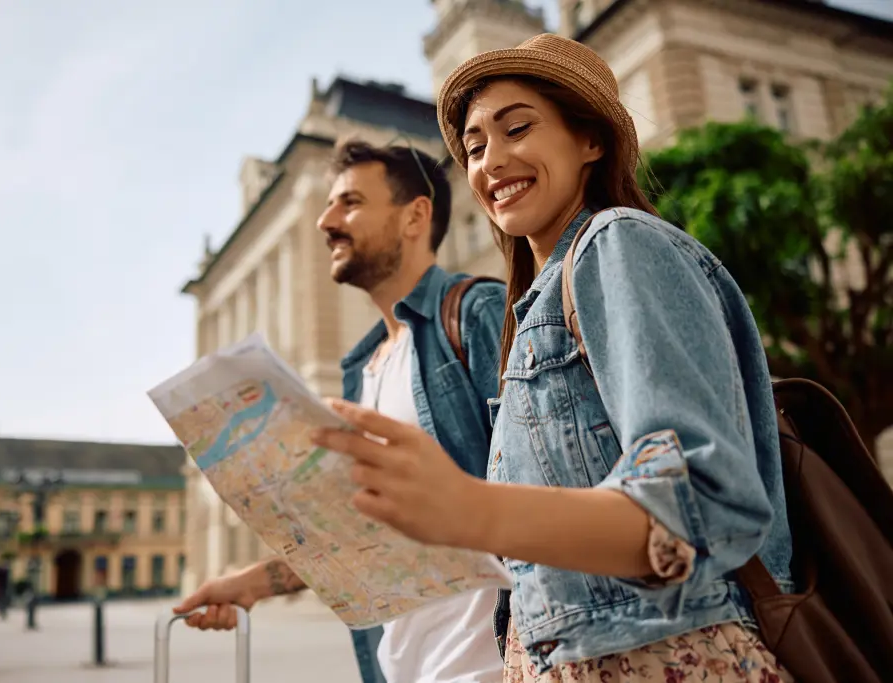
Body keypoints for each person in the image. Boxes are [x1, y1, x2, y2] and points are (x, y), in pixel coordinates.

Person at [310, 34, 796, 682]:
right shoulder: (531, 308)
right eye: (476, 146)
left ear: (590, 140)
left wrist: (468, 505)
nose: (492, 161)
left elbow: (704, 501)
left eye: (517, 129)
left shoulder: (618, 243)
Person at [174, 139, 508, 683]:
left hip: (488, 666)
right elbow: (372, 538)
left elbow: (556, 487)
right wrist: (254, 584)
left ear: (414, 216)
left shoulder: (476, 315)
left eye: (349, 202)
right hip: (402, 669)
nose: (325, 221)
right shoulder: (364, 369)